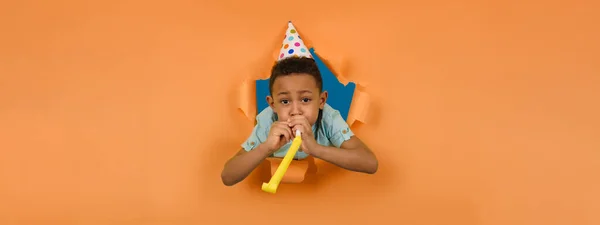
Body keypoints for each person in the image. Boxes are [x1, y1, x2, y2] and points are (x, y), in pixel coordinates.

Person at [221, 56, 378, 186]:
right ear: (272, 104)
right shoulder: (268, 122)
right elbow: (228, 177)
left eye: (305, 99)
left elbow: (370, 163)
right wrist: (266, 147)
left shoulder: (328, 119)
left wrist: (316, 149)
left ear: (322, 100)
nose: (296, 110)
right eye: (284, 102)